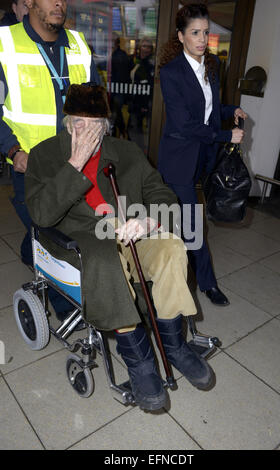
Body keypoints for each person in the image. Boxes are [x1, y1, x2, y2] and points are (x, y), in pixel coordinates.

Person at [25, 82, 215, 411]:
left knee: (171, 246)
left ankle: (174, 345)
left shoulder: (125, 152)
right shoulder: (43, 155)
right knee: (108, 262)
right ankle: (140, 363)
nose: (83, 131)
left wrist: (149, 221)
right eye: (76, 123)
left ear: (106, 127)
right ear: (66, 123)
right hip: (81, 242)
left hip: (130, 232)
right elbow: (41, 213)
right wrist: (75, 163)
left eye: (93, 124)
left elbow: (161, 194)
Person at [0, 0, 100, 316]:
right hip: (31, 169)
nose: (60, 3)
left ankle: (48, 266)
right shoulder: (5, 44)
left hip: (76, 165)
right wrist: (13, 150)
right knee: (51, 240)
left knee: (69, 235)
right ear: (28, 2)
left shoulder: (80, 45)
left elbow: (96, 104)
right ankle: (67, 308)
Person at [158, 3, 247, 306]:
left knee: (184, 221)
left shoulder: (212, 66)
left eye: (205, 32)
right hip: (179, 159)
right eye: (194, 33)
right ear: (181, 36)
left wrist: (229, 110)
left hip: (203, 156)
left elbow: (208, 110)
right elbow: (184, 123)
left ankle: (179, 273)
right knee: (193, 224)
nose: (201, 39)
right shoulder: (171, 73)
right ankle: (207, 284)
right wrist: (225, 135)